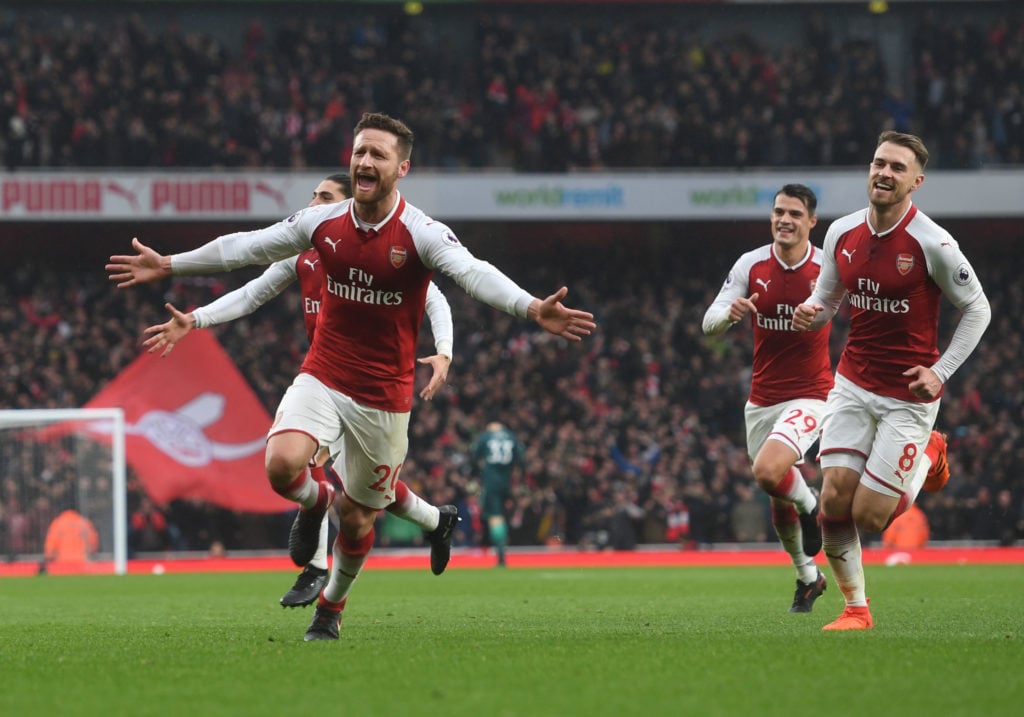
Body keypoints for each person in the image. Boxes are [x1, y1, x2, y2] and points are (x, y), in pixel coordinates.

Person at [106, 111, 596, 641]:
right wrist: (172, 264)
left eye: (377, 154)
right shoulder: (321, 226)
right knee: (281, 464)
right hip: (323, 375)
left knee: (362, 517)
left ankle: (332, 607)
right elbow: (246, 247)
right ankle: (317, 505)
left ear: (401, 168)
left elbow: (472, 273)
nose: (365, 161)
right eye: (360, 151)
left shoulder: (421, 234)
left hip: (384, 399)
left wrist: (529, 309)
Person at [141, 173, 459, 609]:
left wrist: (444, 351)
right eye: (312, 196)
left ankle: (433, 522)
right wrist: (195, 319)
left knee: (364, 498)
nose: (314, 203)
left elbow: (435, 298)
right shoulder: (304, 253)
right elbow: (251, 293)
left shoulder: (381, 253)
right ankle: (317, 565)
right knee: (303, 465)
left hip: (380, 389)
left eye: (325, 197)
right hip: (326, 379)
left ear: (348, 207)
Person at [792, 130, 991, 630]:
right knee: (832, 503)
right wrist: (810, 313)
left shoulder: (934, 243)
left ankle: (931, 452)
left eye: (897, 168)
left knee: (870, 517)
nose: (884, 173)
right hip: (853, 383)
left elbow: (978, 309)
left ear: (916, 181)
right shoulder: (841, 232)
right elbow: (827, 301)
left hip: (907, 396)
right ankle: (856, 609)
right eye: (879, 163)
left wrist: (940, 372)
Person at [702, 183, 830, 613]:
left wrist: (818, 314)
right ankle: (807, 577)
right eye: (779, 212)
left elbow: (853, 306)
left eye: (795, 213)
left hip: (812, 393)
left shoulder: (826, 266)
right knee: (776, 496)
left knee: (767, 471)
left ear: (811, 222)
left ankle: (813, 506)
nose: (784, 220)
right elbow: (708, 323)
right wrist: (729, 315)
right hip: (762, 399)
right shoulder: (751, 264)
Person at [471, 421, 525, 567]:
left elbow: (474, 454)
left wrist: (477, 472)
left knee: (495, 517)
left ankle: (501, 555)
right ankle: (505, 542)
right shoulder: (511, 437)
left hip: (491, 482)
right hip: (507, 482)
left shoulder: (486, 436)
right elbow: (521, 457)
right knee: (504, 514)